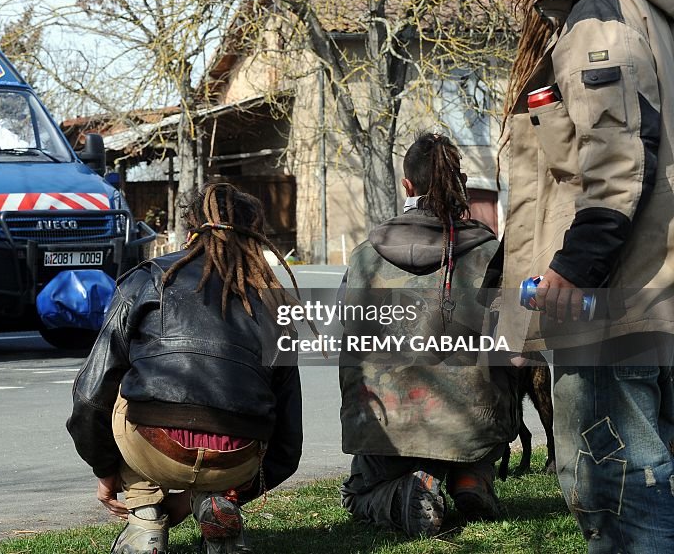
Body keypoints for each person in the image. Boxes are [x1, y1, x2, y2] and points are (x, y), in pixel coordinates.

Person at [504, 0, 674, 550]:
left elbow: (618, 157)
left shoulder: (599, 18)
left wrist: (574, 270)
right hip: (644, 293)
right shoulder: (641, 8)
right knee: (641, 485)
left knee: (619, 494)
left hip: (609, 304)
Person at [67, 183, 303, 554]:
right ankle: (216, 499)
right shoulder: (274, 301)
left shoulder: (147, 278)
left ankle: (144, 522)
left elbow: (91, 395)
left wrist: (105, 471)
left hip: (153, 449)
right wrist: (234, 490)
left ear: (190, 231)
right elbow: (288, 441)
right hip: (236, 458)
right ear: (255, 238)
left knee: (120, 390)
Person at [338, 133, 517, 538]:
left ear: (407, 186)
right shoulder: (491, 252)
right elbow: (517, 341)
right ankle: (471, 478)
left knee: (356, 494)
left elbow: (348, 338)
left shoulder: (364, 255)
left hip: (385, 429)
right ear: (461, 182)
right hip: (471, 427)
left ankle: (406, 492)